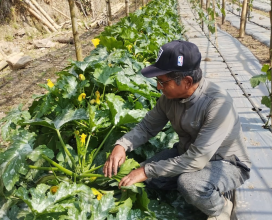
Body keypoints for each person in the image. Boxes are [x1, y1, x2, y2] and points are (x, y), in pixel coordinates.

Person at [103, 40, 251, 220]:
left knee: (189, 184)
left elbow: (197, 159)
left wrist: (147, 171)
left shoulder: (218, 104)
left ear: (187, 82)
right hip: (187, 154)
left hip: (225, 163)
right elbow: (147, 126)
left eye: (162, 81)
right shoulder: (169, 98)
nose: (158, 86)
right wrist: (122, 145)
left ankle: (220, 209)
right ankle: (194, 191)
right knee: (142, 175)